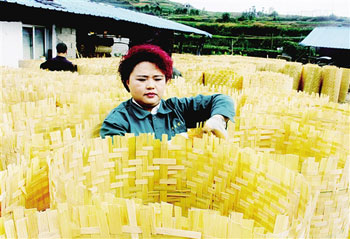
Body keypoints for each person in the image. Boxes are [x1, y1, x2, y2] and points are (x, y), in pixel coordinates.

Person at [100, 44, 235, 141]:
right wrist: (174, 144)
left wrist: (218, 119)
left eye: (158, 79)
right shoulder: (117, 121)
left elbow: (222, 99)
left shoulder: (177, 108)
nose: (151, 86)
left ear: (167, 81)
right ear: (127, 82)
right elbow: (117, 158)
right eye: (142, 79)